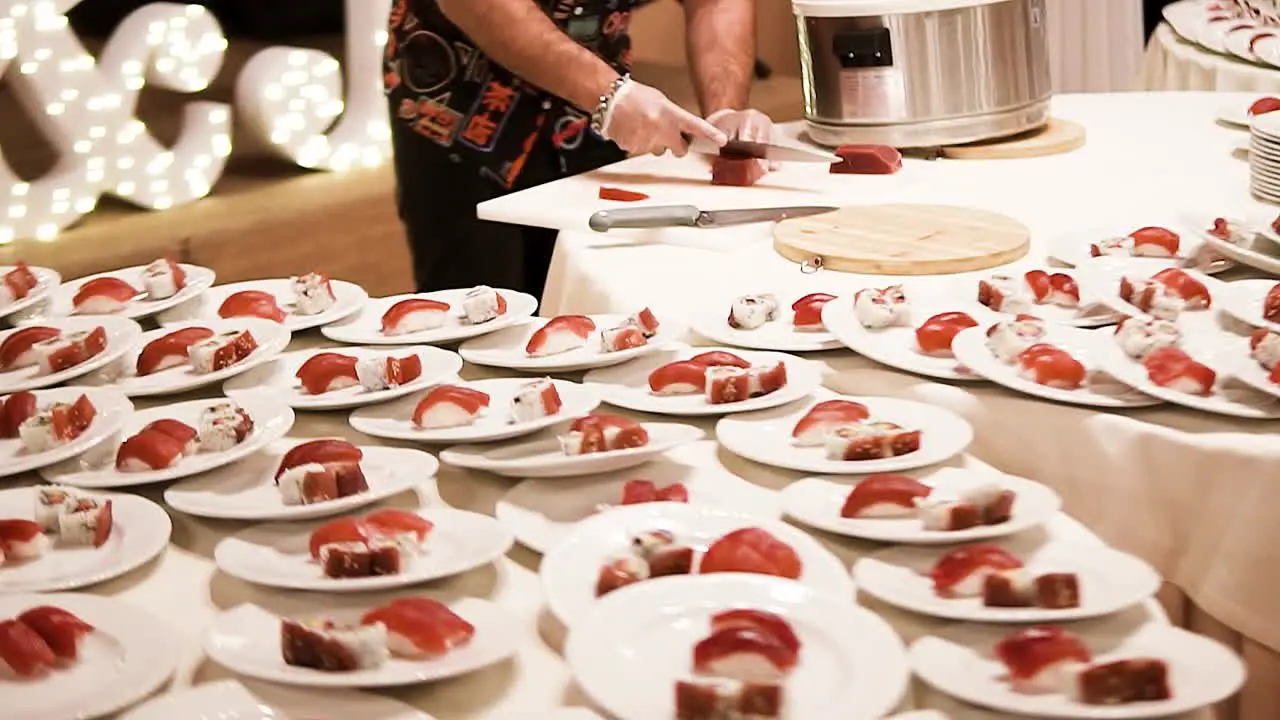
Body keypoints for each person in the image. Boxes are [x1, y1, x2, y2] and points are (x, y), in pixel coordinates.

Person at [384, 0, 775, 298]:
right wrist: (608, 93)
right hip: (461, 113)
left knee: (588, 300)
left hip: (587, 125)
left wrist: (724, 109)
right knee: (478, 315)